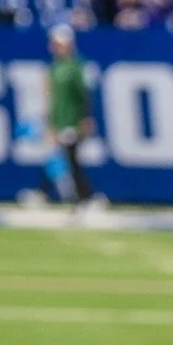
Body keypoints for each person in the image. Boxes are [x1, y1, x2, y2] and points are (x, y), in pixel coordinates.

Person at [43, 25, 99, 213]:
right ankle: (80, 196)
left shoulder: (77, 66)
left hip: (72, 120)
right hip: (59, 120)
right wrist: (50, 122)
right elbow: (52, 98)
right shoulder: (55, 66)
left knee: (70, 159)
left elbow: (83, 95)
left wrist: (84, 118)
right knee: (64, 159)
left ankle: (85, 196)